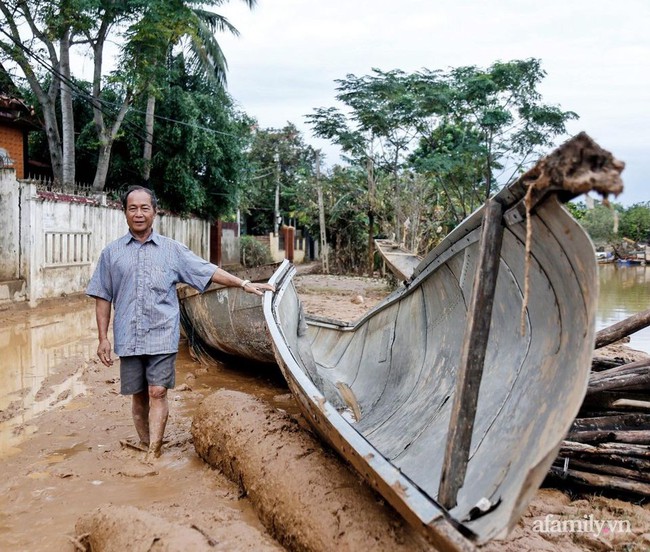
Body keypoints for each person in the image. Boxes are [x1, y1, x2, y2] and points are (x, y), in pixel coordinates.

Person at [86, 185, 275, 461]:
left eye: (144, 208)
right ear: (125, 213)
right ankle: (145, 441)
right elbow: (102, 296)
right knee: (138, 396)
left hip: (162, 334)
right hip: (129, 335)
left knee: (157, 391)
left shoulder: (173, 251)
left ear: (155, 212)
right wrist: (103, 338)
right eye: (133, 208)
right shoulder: (111, 254)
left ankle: (154, 451)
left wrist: (242, 283)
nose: (139, 214)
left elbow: (206, 271)